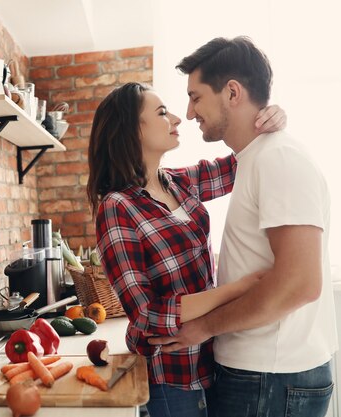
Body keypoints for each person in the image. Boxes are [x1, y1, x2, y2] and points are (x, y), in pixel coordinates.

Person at [147, 36, 337, 417]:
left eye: (196, 96)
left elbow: (301, 284)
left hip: (270, 377)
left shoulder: (278, 159)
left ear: (232, 92)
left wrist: (205, 327)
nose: (188, 112)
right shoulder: (256, 158)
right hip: (262, 376)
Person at [86, 82, 285, 417]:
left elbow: (243, 162)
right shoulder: (116, 207)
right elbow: (146, 315)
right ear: (130, 130)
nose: (178, 119)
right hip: (170, 376)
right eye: (162, 113)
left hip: (211, 358)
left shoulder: (177, 183)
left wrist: (270, 119)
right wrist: (236, 289)